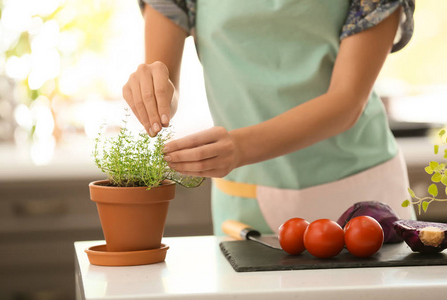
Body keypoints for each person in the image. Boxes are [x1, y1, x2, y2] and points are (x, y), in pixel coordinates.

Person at [123, 0, 416, 235]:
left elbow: (347, 101)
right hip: (245, 204)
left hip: (361, 199)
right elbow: (166, 85)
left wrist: (240, 147)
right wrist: (154, 87)